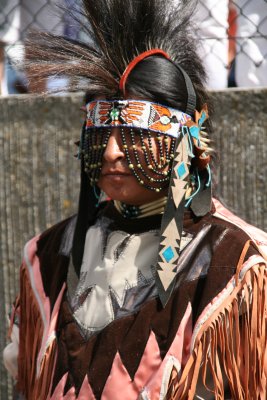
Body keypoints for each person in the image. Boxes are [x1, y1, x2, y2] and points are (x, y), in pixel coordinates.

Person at [3, 0, 267, 399]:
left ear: (187, 144)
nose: (112, 153)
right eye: (101, 135)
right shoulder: (47, 255)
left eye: (134, 136)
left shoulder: (238, 263)